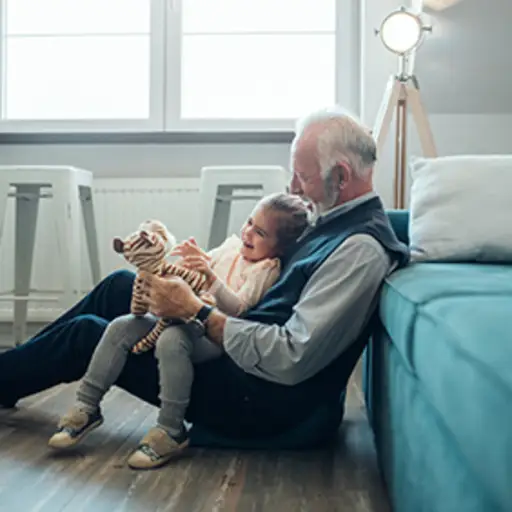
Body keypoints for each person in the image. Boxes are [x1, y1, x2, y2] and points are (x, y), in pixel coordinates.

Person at [0, 106, 409, 470]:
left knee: (89, 333)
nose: (294, 189)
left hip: (262, 398)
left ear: (340, 175)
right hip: (242, 350)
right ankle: (10, 374)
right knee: (118, 287)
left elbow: (290, 356)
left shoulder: (359, 251)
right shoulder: (333, 215)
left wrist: (197, 311)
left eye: (302, 177)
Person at [46, 193, 310, 465]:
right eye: (249, 223)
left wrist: (210, 278)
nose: (248, 233)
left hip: (211, 334)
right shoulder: (232, 247)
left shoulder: (265, 269)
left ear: (279, 248)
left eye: (261, 233)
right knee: (120, 327)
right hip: (179, 316)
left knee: (171, 341)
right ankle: (86, 406)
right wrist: (190, 263)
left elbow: (239, 308)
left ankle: (171, 429)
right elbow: (196, 272)